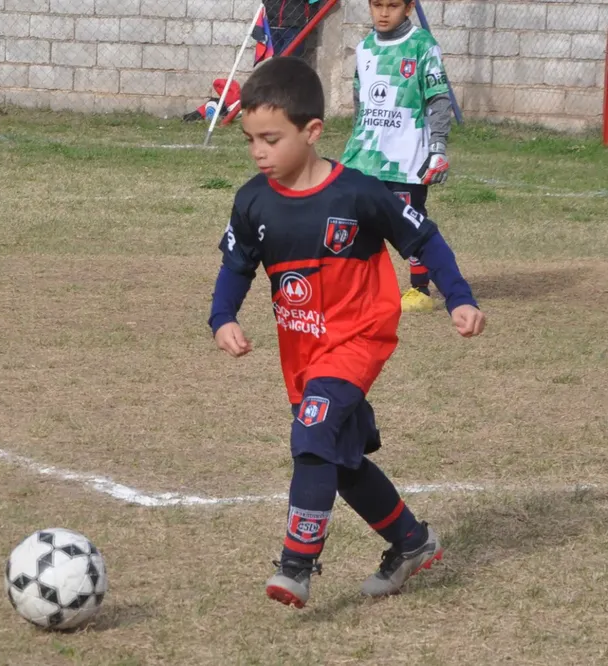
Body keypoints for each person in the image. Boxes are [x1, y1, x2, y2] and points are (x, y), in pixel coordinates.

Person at [208, 56, 485, 608]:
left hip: (358, 339)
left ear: (312, 132)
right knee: (339, 459)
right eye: (250, 140)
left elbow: (424, 240)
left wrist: (459, 298)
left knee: (312, 437)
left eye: (271, 138)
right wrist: (224, 317)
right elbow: (236, 267)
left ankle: (296, 566)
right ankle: (411, 542)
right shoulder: (252, 201)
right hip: (302, 351)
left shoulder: (357, 193)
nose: (258, 151)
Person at [342, 0, 453, 313]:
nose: (383, 12)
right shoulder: (364, 48)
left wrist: (438, 147)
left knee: (409, 222)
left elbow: (438, 98)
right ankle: (362, 287)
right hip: (364, 158)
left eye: (392, 5)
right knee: (356, 222)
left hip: (404, 159)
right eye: (377, 5)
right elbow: (360, 102)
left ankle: (420, 289)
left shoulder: (422, 45)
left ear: (408, 8)